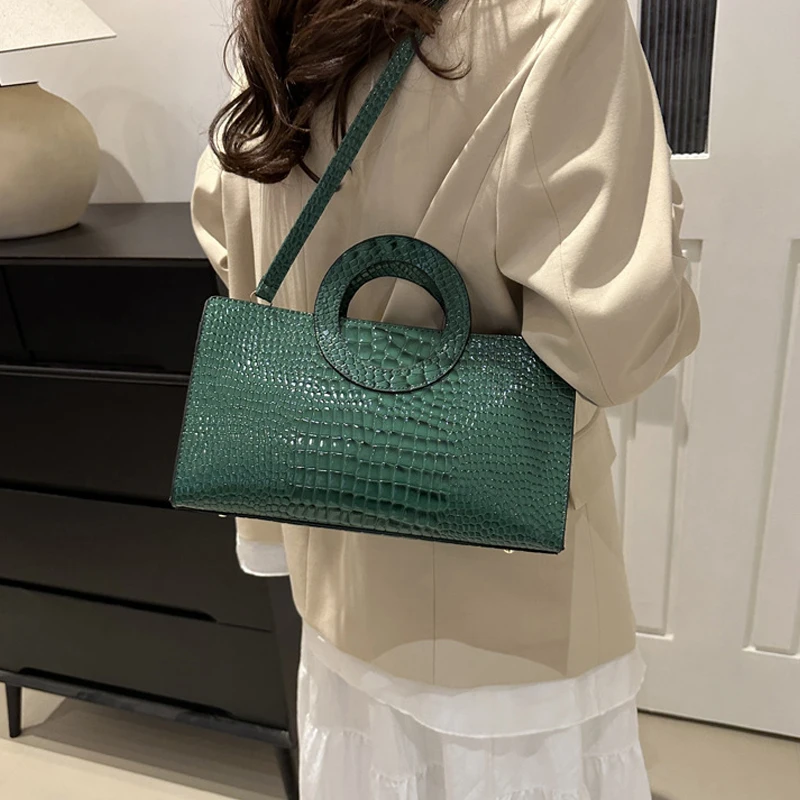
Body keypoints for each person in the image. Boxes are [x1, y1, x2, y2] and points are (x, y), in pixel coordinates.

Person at [191, 0, 700, 797]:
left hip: (339, 578)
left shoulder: (280, 16)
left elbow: (226, 227)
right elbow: (612, 339)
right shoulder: (557, 15)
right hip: (509, 616)